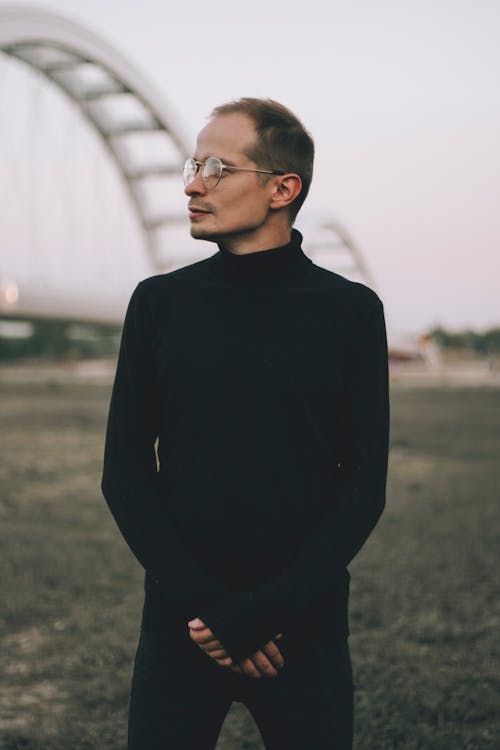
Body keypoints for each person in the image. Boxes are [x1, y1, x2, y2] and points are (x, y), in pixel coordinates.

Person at [102, 97, 389, 750]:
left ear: (283, 188)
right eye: (192, 164)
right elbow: (124, 477)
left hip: (301, 634)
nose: (191, 184)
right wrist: (213, 611)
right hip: (182, 626)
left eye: (218, 168)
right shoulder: (158, 304)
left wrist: (263, 613)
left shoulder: (350, 313)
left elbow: (362, 489)